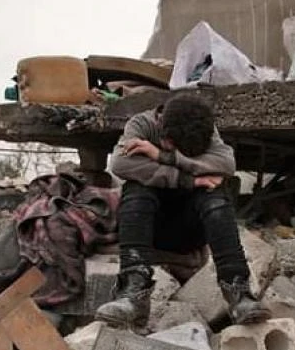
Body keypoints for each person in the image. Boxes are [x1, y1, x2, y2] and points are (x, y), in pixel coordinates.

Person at [95, 94, 271, 328]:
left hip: (190, 230)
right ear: (163, 132)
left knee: (215, 191)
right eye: (175, 148)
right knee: (137, 189)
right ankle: (133, 293)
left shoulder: (203, 129)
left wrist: (162, 156)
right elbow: (121, 164)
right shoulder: (142, 125)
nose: (182, 154)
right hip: (150, 228)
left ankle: (239, 293)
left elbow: (226, 164)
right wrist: (188, 179)